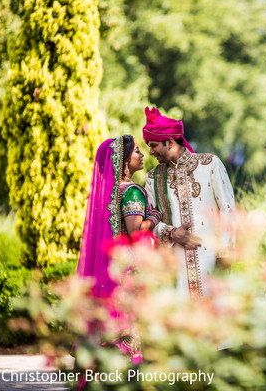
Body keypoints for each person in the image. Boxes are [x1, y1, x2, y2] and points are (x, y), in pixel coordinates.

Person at [76, 135, 161, 364]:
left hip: (110, 268)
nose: (142, 155)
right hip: (127, 272)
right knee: (129, 327)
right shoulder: (132, 191)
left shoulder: (106, 195)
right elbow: (136, 232)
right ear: (123, 162)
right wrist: (154, 217)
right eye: (136, 151)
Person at [142, 106, 235, 298]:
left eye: (153, 145)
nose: (150, 152)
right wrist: (171, 233)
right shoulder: (153, 177)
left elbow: (228, 209)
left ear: (169, 142)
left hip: (210, 261)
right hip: (175, 267)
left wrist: (225, 256)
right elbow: (149, 219)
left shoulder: (210, 164)